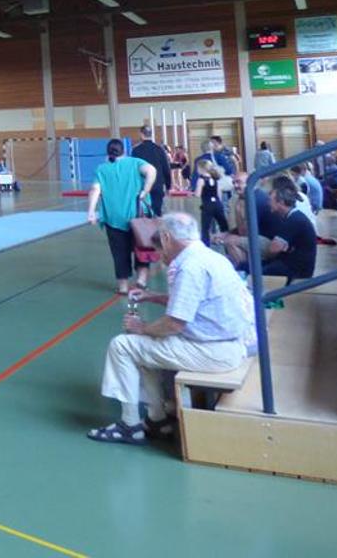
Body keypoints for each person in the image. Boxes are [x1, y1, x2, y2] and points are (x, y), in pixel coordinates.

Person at [88, 212, 249, 445]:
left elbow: (174, 324)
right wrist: (152, 296)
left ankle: (130, 425)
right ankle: (157, 419)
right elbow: (193, 303)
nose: (160, 256)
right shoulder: (209, 257)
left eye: (160, 248)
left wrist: (142, 327)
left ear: (165, 238)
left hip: (212, 352)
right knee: (141, 349)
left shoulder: (190, 267)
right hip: (227, 345)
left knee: (122, 345)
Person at [86, 139, 157, 294]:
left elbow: (95, 190)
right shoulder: (135, 162)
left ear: (108, 152)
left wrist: (91, 212)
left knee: (119, 253)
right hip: (138, 216)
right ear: (124, 150)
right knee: (143, 246)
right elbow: (151, 170)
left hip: (114, 218)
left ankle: (123, 286)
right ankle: (141, 280)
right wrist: (145, 190)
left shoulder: (102, 169)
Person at [131, 125, 172, 216]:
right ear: (151, 134)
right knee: (157, 212)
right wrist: (168, 186)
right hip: (157, 185)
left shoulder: (136, 151)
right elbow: (166, 169)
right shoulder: (159, 150)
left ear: (141, 134)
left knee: (143, 213)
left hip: (142, 186)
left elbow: (133, 170)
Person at [194, 159, 228, 245]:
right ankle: (226, 240)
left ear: (201, 169)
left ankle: (206, 243)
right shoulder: (215, 179)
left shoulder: (201, 180)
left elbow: (198, 194)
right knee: (223, 224)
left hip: (207, 204)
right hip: (217, 204)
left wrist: (193, 193)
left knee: (205, 227)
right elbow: (219, 194)